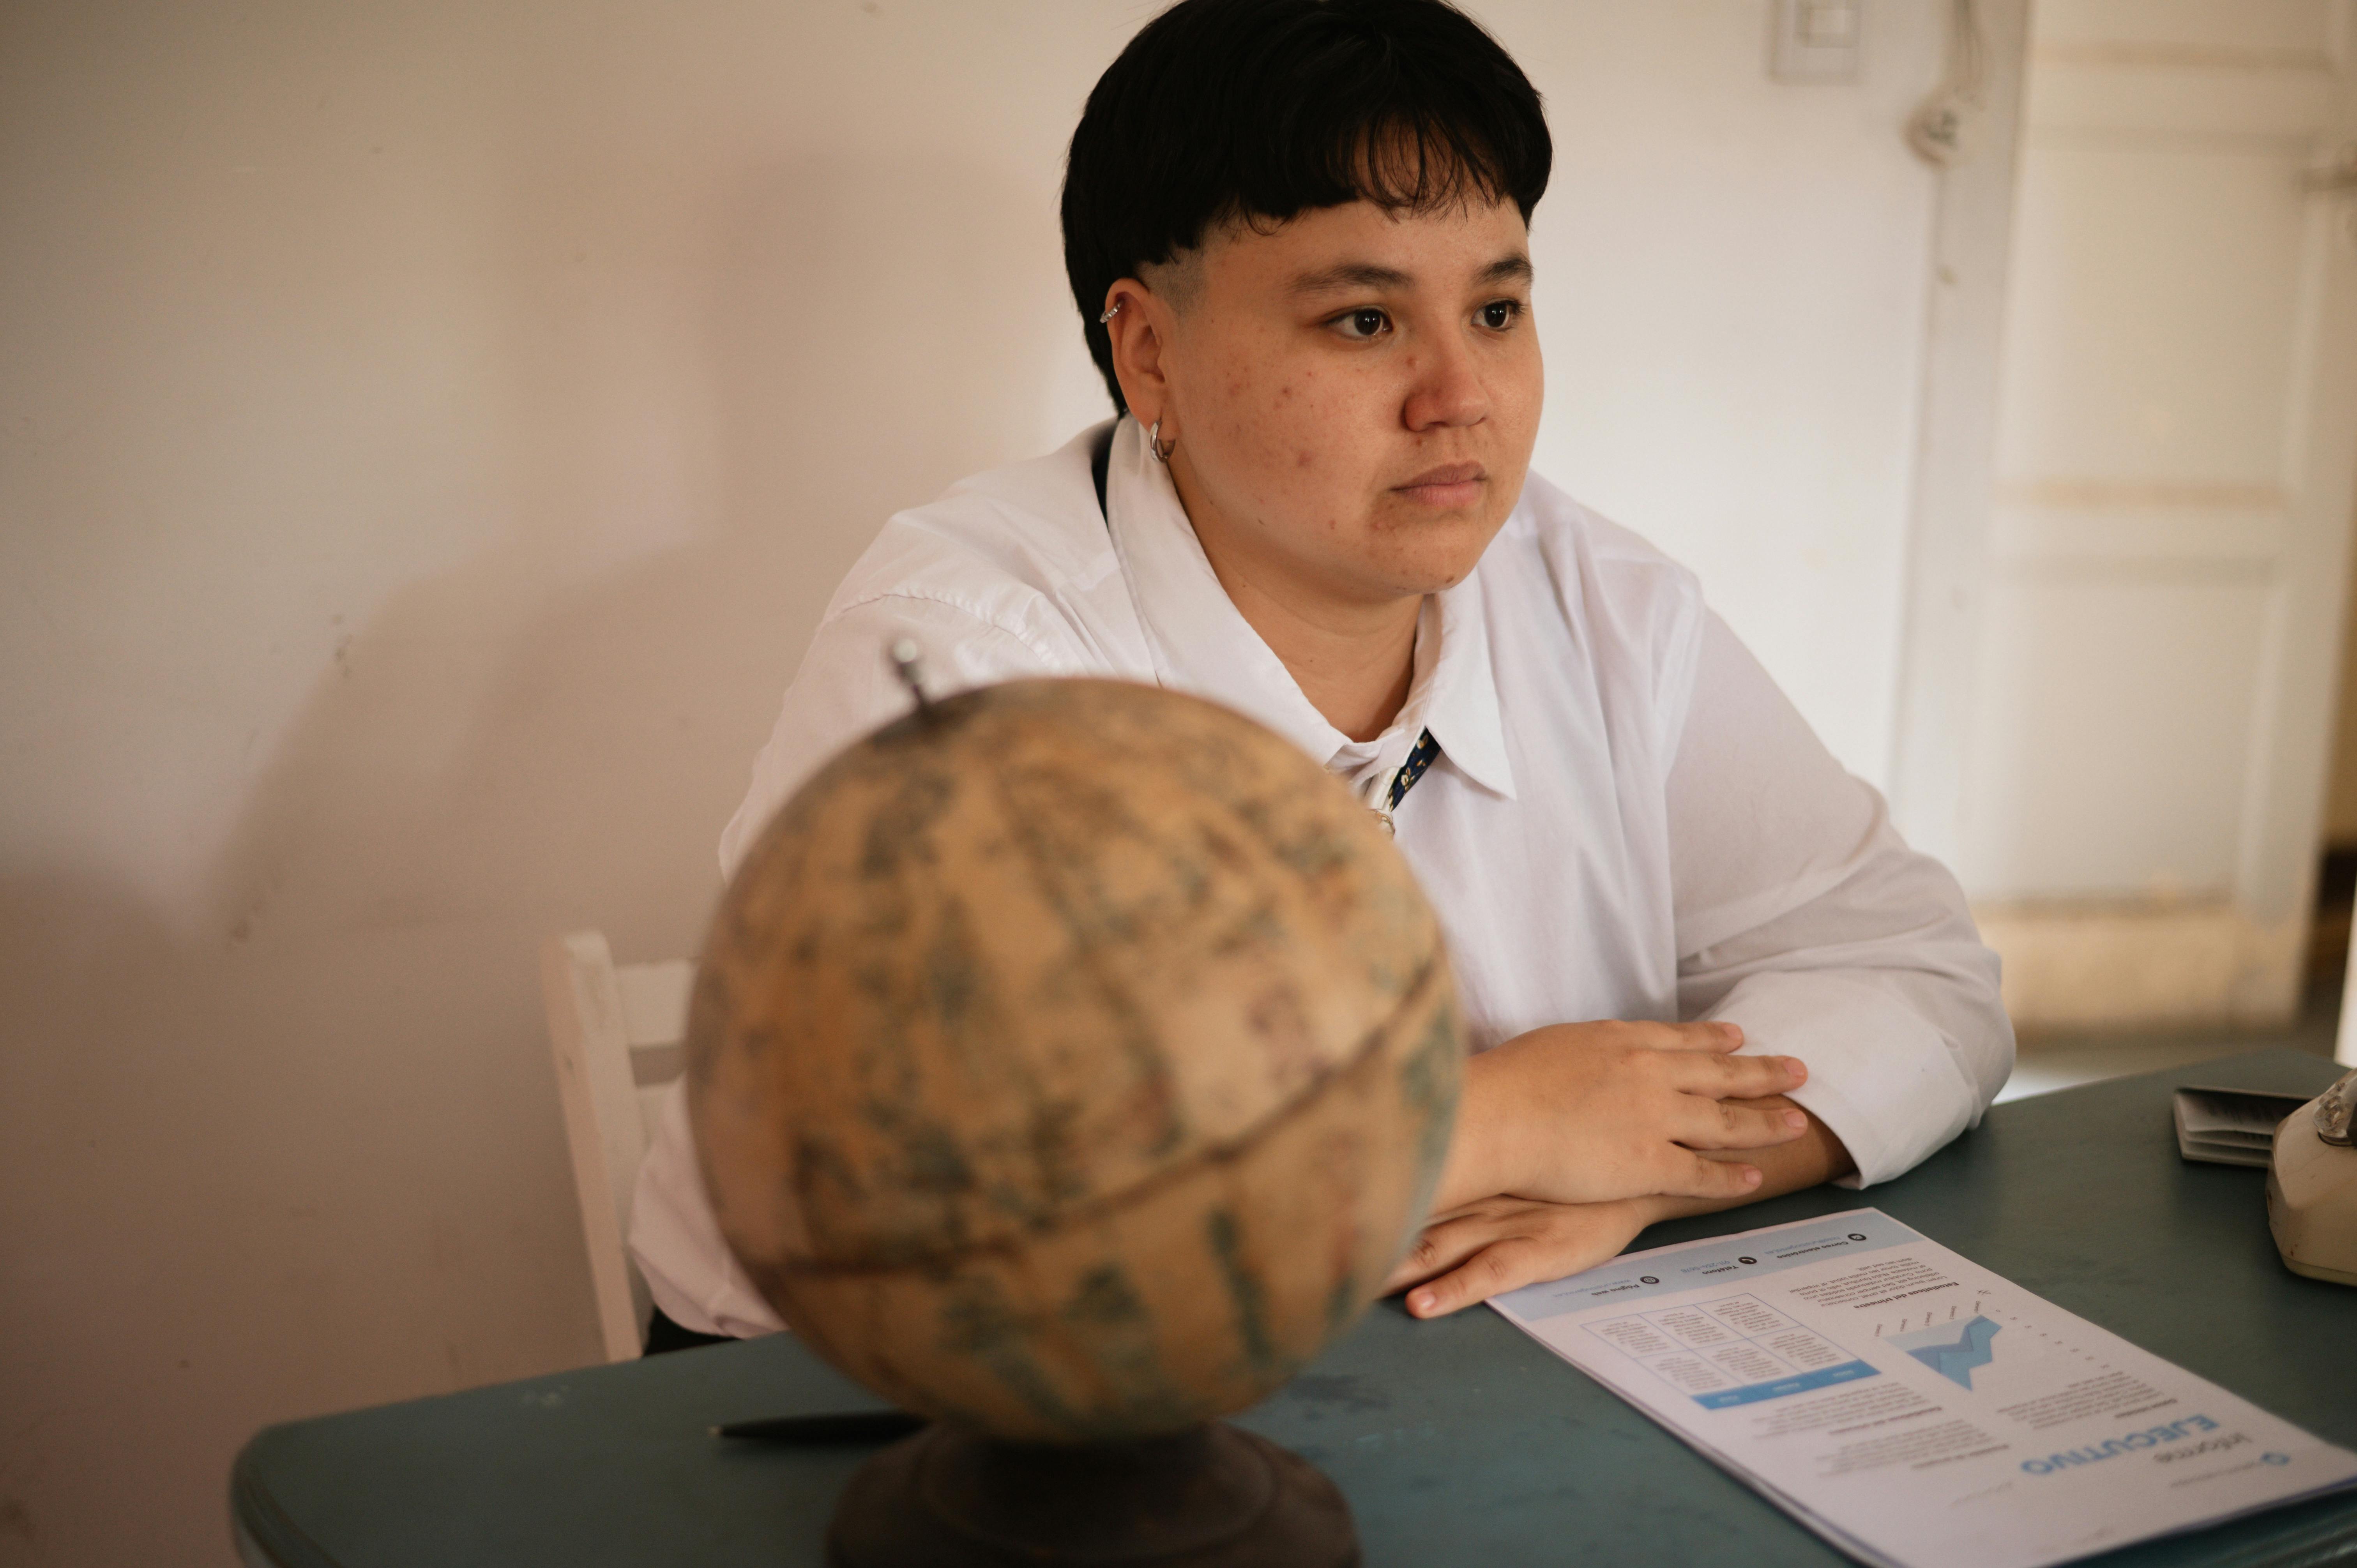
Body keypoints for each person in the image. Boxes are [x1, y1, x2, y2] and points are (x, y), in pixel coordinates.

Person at [631, 0, 2012, 1353]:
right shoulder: (961, 645)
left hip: (1415, 1356)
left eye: (1497, 307)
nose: (1457, 393)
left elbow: (1916, 973)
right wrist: (1497, 1125)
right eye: (1364, 321)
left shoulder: (1595, 598)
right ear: (1148, 350)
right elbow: (895, 1199)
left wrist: (1642, 1172)